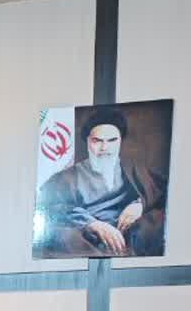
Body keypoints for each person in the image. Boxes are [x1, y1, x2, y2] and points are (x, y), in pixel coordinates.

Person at [36, 106, 168, 257]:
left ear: (120, 141)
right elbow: (50, 206)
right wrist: (92, 224)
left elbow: (161, 192)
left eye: (112, 140)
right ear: (87, 141)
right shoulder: (66, 178)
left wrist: (140, 205)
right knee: (65, 238)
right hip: (88, 236)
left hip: (129, 232)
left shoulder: (133, 169)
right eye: (97, 141)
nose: (105, 148)